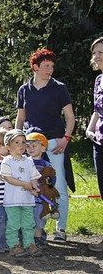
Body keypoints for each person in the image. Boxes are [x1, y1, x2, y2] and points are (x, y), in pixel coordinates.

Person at [16, 48, 75, 242]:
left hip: (54, 143)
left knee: (58, 186)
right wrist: (17, 141)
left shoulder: (60, 88)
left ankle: (62, 229)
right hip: (31, 144)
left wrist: (65, 139)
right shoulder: (24, 89)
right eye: (46, 66)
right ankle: (37, 230)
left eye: (52, 66)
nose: (50, 69)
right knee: (33, 186)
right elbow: (20, 118)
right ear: (35, 67)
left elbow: (70, 116)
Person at [0, 129, 42, 257]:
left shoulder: (29, 161)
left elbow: (33, 177)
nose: (22, 145)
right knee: (13, 224)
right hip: (12, 201)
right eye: (17, 142)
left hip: (27, 200)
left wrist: (34, 188)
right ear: (8, 146)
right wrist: (25, 184)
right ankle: (14, 245)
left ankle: (29, 243)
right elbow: (8, 178)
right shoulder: (7, 161)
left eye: (23, 142)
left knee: (29, 224)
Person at [87, 37, 103, 252]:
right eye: (95, 52)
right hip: (99, 141)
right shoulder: (99, 80)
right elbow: (98, 110)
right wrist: (90, 129)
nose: (97, 56)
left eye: (101, 52)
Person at [25, 131, 52, 249]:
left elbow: (51, 181)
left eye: (34, 146)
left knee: (39, 220)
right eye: (28, 146)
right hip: (26, 198)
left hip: (41, 199)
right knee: (27, 220)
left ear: (43, 148)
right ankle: (27, 240)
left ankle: (38, 238)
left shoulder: (47, 165)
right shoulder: (24, 163)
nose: (30, 148)